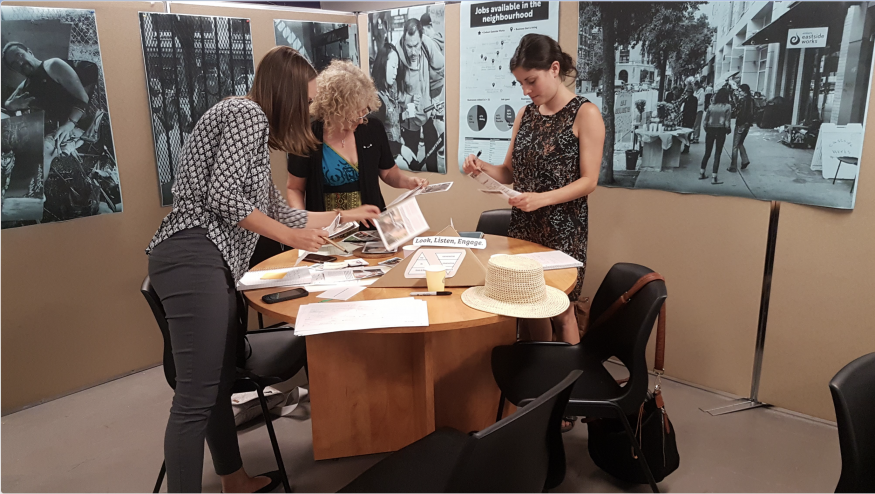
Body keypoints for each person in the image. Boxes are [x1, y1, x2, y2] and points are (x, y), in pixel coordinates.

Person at [146, 46, 380, 493]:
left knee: (213, 386)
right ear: (287, 94)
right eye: (307, 99)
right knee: (196, 396)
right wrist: (293, 239)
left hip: (208, 260)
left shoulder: (251, 131)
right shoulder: (246, 114)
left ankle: (233, 477)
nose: (310, 108)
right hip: (193, 254)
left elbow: (275, 208)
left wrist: (341, 218)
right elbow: (225, 199)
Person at [462, 34, 603, 348]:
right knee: (530, 308)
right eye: (521, 84)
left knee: (561, 309)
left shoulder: (585, 114)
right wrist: (481, 168)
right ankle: (537, 371)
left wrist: (541, 199)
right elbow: (509, 172)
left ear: (554, 69)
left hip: (563, 230)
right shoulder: (526, 116)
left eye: (531, 81)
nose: (526, 91)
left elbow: (588, 181)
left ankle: (567, 383)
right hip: (524, 228)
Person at [287, 60, 427, 215]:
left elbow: (388, 172)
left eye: (364, 111)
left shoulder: (373, 129)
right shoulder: (307, 136)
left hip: (371, 227)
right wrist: (303, 222)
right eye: (354, 115)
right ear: (334, 110)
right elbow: (295, 188)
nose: (361, 120)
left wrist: (408, 182)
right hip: (327, 230)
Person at [398, 18, 445, 172]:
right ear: (404, 39)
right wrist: (407, 99)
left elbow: (441, 69)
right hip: (409, 120)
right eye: (409, 46)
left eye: (416, 45)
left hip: (428, 112)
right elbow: (391, 92)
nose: (413, 52)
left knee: (432, 163)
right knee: (411, 161)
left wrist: (434, 96)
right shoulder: (396, 54)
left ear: (421, 38)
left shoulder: (427, 44)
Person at [371, 42, 415, 166]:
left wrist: (404, 115)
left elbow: (389, 121)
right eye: (393, 67)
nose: (395, 72)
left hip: (395, 151)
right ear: (383, 64)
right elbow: (376, 139)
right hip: (385, 159)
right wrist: (400, 148)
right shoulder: (376, 98)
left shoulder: (391, 89)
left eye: (397, 68)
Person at [699, 87, 733, 185]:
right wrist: (728, 130)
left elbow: (705, 122)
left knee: (707, 153)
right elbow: (727, 122)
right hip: (721, 130)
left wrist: (707, 129)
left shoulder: (711, 106)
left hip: (710, 130)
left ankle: (702, 173)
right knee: (717, 153)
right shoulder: (727, 107)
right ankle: (714, 177)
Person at [730, 83, 755, 172]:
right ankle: (745, 160)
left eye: (740, 91)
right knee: (740, 143)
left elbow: (738, 113)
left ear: (744, 91)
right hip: (747, 124)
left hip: (741, 124)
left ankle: (733, 166)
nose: (739, 92)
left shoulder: (742, 100)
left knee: (735, 145)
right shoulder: (751, 100)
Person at [678, 85, 698, 153]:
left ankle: (687, 147)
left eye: (688, 92)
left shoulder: (694, 99)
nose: (687, 93)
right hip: (685, 117)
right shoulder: (686, 99)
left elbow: (692, 109)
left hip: (690, 118)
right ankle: (685, 146)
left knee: (688, 134)